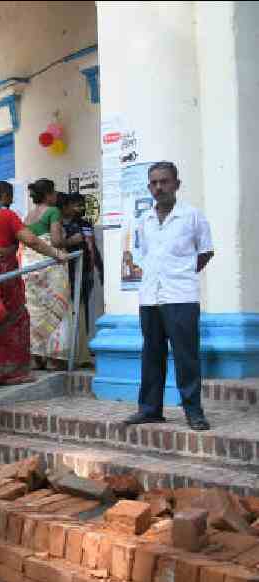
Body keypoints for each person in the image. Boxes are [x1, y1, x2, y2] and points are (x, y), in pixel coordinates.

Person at [122, 162, 213, 431]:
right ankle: (150, 409)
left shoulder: (193, 216)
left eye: (164, 181)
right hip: (150, 296)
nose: (159, 187)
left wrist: (182, 273)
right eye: (154, 183)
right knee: (151, 354)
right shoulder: (145, 221)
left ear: (176, 184)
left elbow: (205, 251)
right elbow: (148, 255)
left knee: (186, 356)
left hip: (181, 296)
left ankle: (194, 412)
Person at [0, 181, 68, 385]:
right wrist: (55, 253)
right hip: (6, 280)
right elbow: (31, 240)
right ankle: (13, 373)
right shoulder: (7, 216)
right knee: (14, 322)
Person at [22, 178, 73, 370]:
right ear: (49, 194)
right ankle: (54, 357)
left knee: (35, 310)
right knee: (57, 306)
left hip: (30, 265)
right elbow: (56, 240)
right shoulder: (53, 211)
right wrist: (72, 240)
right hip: (50, 263)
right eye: (54, 192)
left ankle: (36, 356)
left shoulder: (28, 216)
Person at [58, 193, 104, 367]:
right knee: (68, 311)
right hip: (67, 273)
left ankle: (83, 350)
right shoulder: (59, 224)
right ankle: (70, 351)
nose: (80, 208)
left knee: (83, 310)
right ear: (66, 206)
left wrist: (100, 268)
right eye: (76, 205)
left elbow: (93, 248)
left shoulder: (85, 224)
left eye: (82, 205)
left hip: (86, 271)